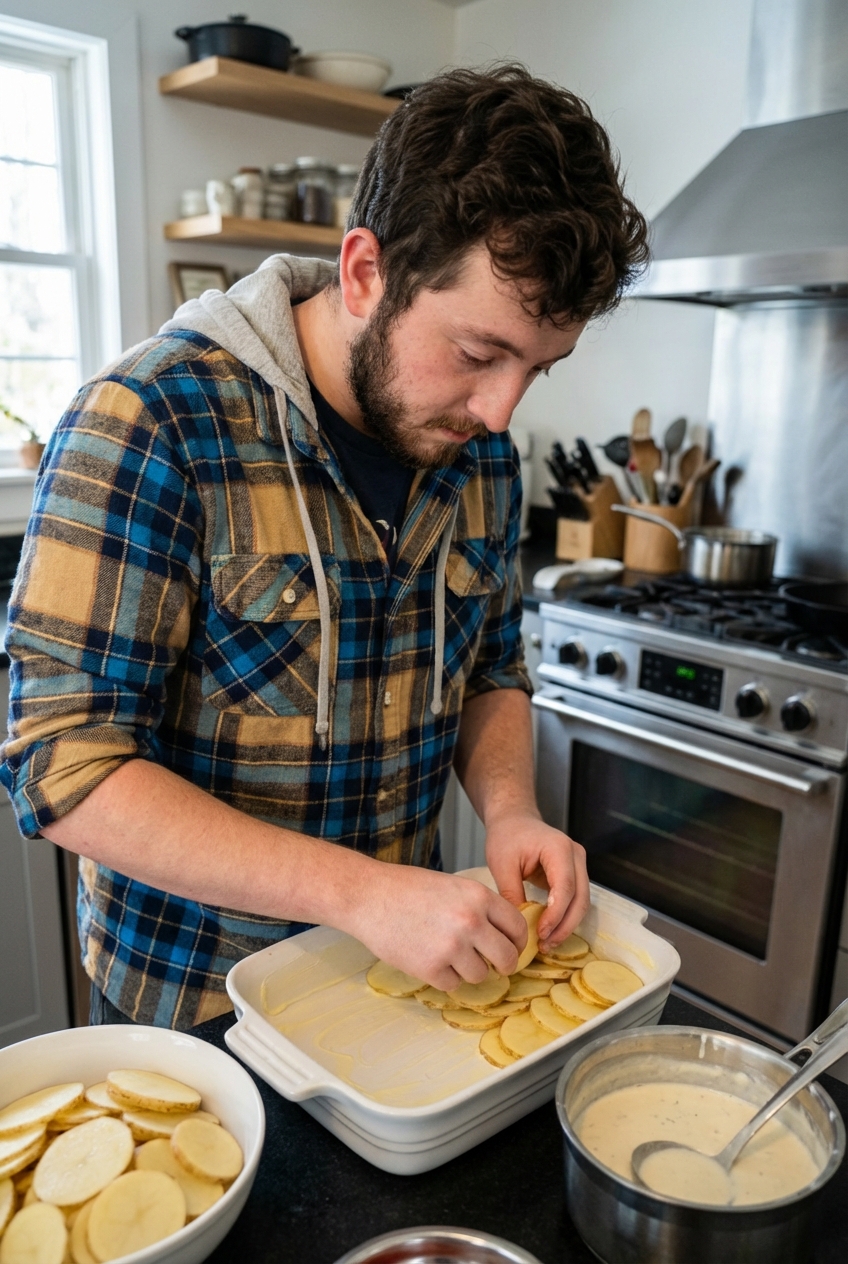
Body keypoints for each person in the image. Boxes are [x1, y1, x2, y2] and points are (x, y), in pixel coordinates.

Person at [0, 65, 648, 1029]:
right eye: (478, 353)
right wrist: (361, 894)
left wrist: (512, 812)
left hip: (411, 990)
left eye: (537, 369)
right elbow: (62, 760)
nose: (500, 410)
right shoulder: (151, 420)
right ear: (364, 272)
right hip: (196, 1007)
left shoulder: (479, 451)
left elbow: (490, 669)